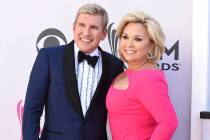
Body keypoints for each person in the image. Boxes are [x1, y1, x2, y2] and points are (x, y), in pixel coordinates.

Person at [22, 3, 124, 140]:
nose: (86, 32)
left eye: (94, 27)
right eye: (82, 25)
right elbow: (32, 110)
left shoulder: (115, 65)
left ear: (104, 34)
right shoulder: (49, 57)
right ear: (74, 27)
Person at [106, 11, 178, 140]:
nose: (129, 44)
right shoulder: (125, 73)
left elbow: (169, 123)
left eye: (137, 39)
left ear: (151, 46)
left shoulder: (148, 78)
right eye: (125, 37)